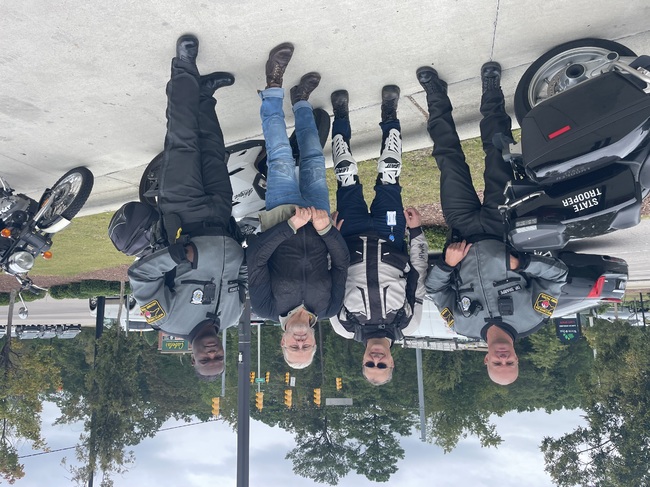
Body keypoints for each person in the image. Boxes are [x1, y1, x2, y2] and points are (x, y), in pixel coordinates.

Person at [419, 62, 568, 385]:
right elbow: (558, 276)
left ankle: (435, 95)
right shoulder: (535, 315)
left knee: (448, 160)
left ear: (486, 359)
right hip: (501, 223)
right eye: (509, 362)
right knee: (498, 151)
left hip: (461, 230)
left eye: (497, 364)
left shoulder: (461, 325)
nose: (503, 358)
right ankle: (491, 91)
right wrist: (522, 263)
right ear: (516, 357)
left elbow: (434, 289)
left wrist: (447, 265)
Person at [128, 35, 246, 380]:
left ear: (192, 359)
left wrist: (176, 256)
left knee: (182, 141)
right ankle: (204, 96)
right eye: (218, 357)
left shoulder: (164, 319)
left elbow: (140, 277)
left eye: (206, 360)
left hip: (183, 214)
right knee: (213, 150)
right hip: (222, 216)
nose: (212, 353)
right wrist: (246, 256)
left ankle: (184, 67)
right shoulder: (233, 316)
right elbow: (241, 278)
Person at [246, 43, 350, 369]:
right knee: (314, 155)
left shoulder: (266, 307)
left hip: (283, 213)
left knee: (279, 152)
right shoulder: (329, 308)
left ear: (283, 341)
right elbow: (342, 264)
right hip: (318, 215)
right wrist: (326, 230)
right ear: (315, 342)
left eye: (295, 347)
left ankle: (273, 84)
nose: (301, 341)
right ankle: (301, 100)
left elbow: (256, 259)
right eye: (307, 347)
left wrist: (290, 226)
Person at [328, 86, 429, 386]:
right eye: (381, 365)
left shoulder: (344, 326)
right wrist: (416, 232)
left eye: (370, 364)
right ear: (391, 362)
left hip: (349, 235)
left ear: (362, 360)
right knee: (389, 173)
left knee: (345, 174)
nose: (376, 359)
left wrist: (329, 238)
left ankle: (340, 116)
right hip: (391, 234)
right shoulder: (408, 323)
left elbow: (330, 277)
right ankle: (390, 113)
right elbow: (419, 275)